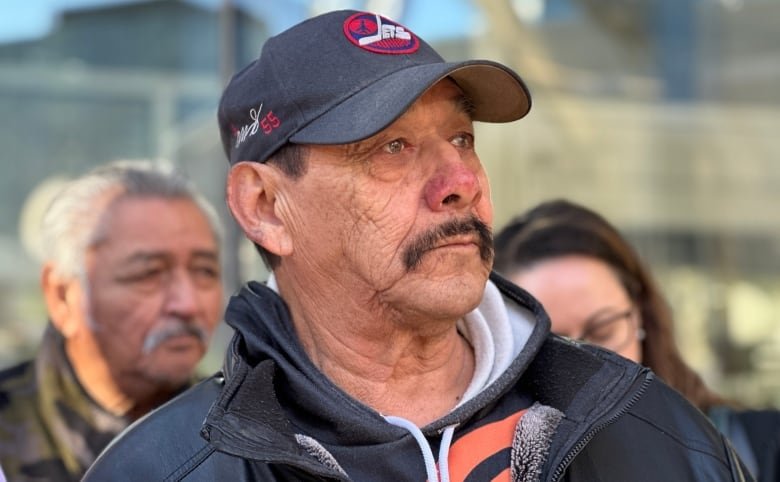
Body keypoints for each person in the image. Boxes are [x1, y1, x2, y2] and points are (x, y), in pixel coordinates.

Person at [84, 10, 751, 481]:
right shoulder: (160, 470)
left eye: (462, 139)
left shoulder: (652, 427)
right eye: (391, 148)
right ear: (265, 207)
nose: (461, 183)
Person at [493, 198, 780, 482]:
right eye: (553, 348)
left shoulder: (762, 449)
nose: (586, 364)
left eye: (603, 331)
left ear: (641, 315)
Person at [0, 160, 225, 482]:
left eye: (205, 271)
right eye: (148, 274)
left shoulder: (246, 432)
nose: (187, 304)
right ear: (62, 295)